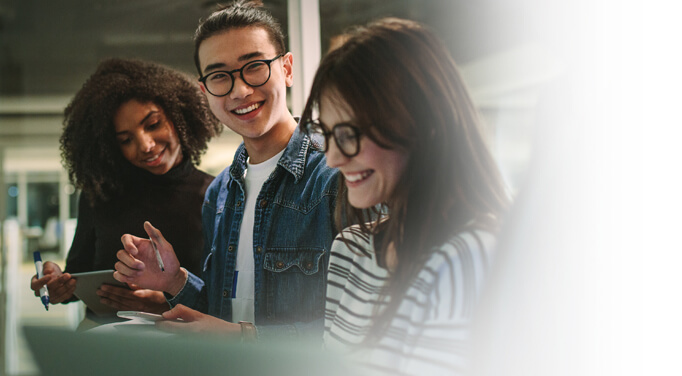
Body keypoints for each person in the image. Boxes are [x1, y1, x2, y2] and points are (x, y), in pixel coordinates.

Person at [114, 0, 340, 340]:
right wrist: (175, 281)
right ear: (204, 91)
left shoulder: (336, 176)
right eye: (220, 77)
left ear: (287, 68)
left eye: (254, 66)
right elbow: (223, 314)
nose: (240, 90)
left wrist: (243, 338)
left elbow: (363, 328)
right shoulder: (220, 193)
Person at [303, 18, 511, 374]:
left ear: (422, 123)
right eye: (326, 134)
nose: (334, 158)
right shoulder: (351, 251)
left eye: (349, 133)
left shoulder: (469, 258)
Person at [30, 58, 221, 314]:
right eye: (126, 140)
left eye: (153, 125)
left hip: (186, 344)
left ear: (179, 115)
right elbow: (78, 277)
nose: (145, 146)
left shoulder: (216, 195)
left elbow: (226, 296)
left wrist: (163, 303)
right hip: (108, 343)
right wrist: (58, 284)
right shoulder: (100, 195)